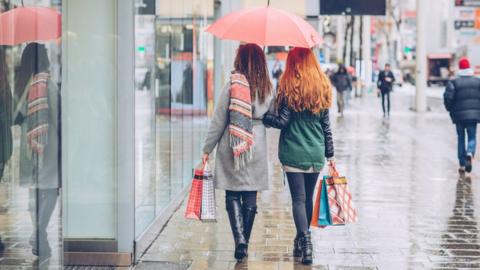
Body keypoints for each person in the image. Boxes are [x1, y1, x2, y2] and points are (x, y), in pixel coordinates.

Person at [201, 43, 274, 262]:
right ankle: (245, 241)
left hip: (233, 144)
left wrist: (207, 149)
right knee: (251, 194)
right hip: (256, 146)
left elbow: (218, 121)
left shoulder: (233, 84)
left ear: (239, 59)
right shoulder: (268, 86)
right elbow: (272, 116)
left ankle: (239, 239)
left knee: (232, 193)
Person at [263, 47, 334, 265]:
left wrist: (266, 118)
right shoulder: (322, 85)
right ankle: (300, 240)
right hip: (315, 151)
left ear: (292, 63)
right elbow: (326, 126)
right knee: (307, 198)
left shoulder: (287, 87)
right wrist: (329, 153)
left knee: (298, 199)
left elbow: (282, 121)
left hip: (293, 151)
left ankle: (306, 241)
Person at [13, 43, 60, 259]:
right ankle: (39, 233)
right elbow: (58, 118)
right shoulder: (47, 84)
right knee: (50, 190)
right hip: (47, 148)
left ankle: (39, 236)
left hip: (28, 148)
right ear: (43, 59)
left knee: (34, 191)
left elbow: (17, 114)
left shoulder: (23, 84)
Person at [444, 57, 480, 174]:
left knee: (460, 138)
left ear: (460, 68)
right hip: (473, 115)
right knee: (472, 137)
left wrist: (450, 109)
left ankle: (462, 164)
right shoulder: (477, 81)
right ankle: (470, 152)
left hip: (458, 116)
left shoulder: (454, 82)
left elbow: (448, 98)